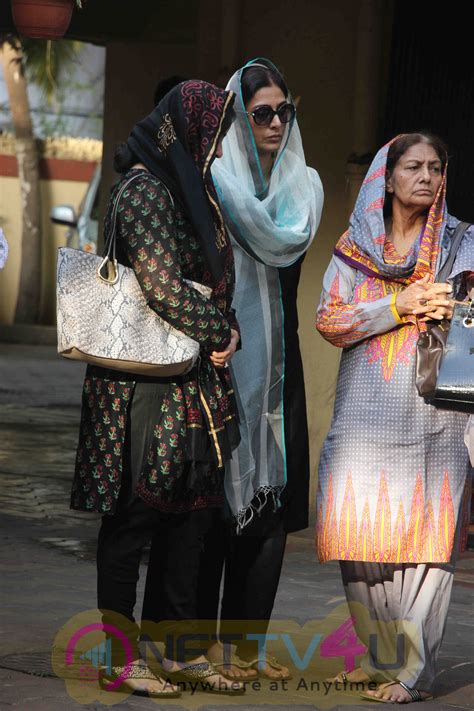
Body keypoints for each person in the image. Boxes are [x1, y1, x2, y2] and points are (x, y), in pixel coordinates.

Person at [71, 80, 246, 697]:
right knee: (135, 515)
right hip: (141, 383)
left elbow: (213, 279)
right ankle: (119, 658)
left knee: (190, 516)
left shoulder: (189, 193)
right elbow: (161, 285)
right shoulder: (143, 190)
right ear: (186, 133)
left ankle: (175, 648)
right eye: (214, 137)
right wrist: (219, 327)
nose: (218, 150)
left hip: (190, 379)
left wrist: (223, 329)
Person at [315, 133, 473, 703]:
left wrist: (452, 307)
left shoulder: (463, 244)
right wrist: (398, 306)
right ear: (388, 176)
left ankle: (410, 670)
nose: (426, 177)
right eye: (414, 166)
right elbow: (331, 321)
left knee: (427, 540)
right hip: (364, 412)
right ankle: (378, 655)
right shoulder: (354, 246)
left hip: (436, 412)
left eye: (436, 167)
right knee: (360, 531)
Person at [197, 58, 323, 680]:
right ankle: (202, 647)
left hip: (280, 370)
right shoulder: (215, 184)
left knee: (272, 506)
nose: (275, 123)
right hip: (221, 362)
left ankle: (247, 650)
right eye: (261, 113)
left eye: (284, 111)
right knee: (218, 506)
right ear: (239, 121)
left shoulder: (305, 189)